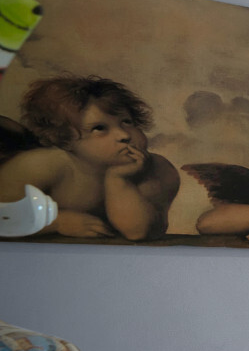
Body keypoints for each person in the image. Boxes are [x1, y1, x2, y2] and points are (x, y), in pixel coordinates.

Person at [0, 76, 179, 239]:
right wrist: (56, 222)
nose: (124, 135)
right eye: (99, 128)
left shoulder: (158, 169)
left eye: (127, 122)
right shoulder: (40, 165)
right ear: (64, 140)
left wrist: (119, 180)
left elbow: (138, 232)